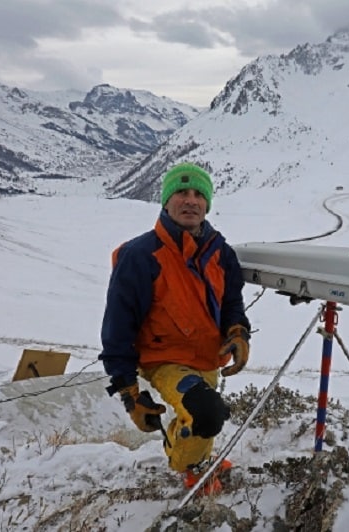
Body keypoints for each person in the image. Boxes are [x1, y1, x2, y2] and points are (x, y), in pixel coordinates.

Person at [99, 162, 251, 494]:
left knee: (202, 410)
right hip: (163, 359)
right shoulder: (141, 255)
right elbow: (118, 325)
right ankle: (191, 469)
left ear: (207, 204)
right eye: (181, 192)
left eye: (198, 194)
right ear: (166, 201)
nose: (190, 201)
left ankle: (196, 452)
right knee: (206, 412)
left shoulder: (220, 252)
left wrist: (238, 331)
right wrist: (129, 392)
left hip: (208, 356)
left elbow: (231, 303)